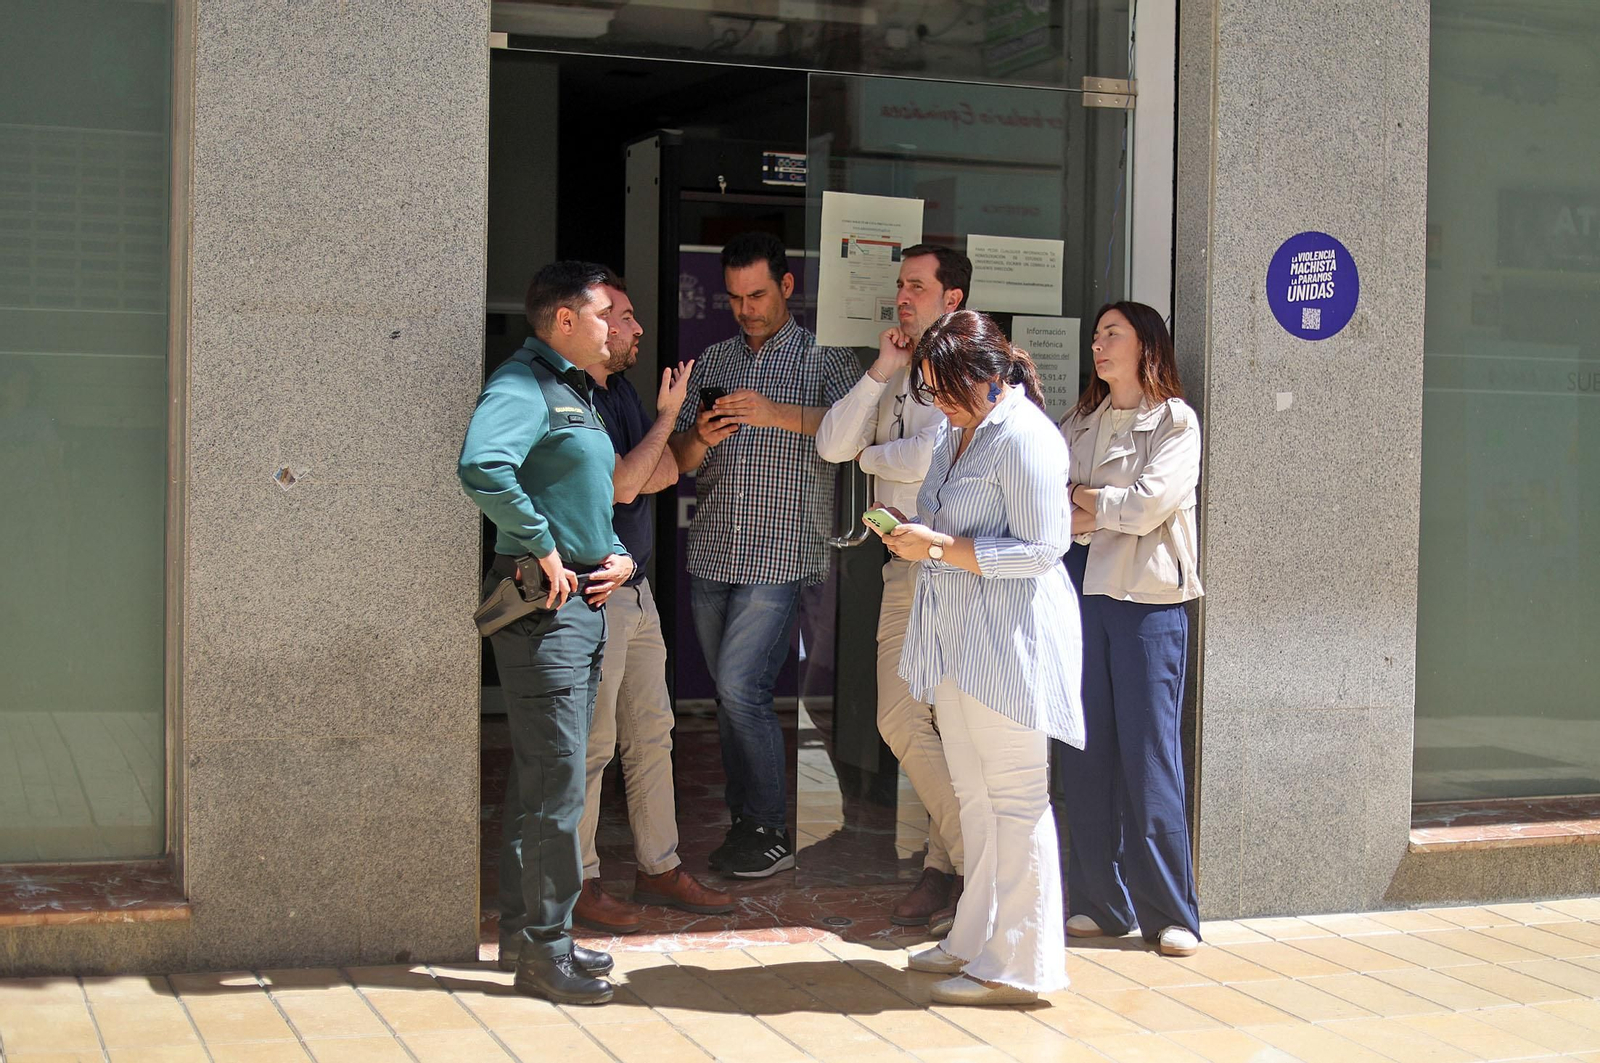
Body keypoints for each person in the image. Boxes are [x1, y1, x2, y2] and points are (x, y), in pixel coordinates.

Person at [867, 310, 1081, 1007]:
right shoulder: (963, 431)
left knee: (1015, 799)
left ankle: (1022, 964)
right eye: (928, 389)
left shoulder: (1028, 437)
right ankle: (975, 938)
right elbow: (942, 522)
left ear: (987, 373)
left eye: (943, 387)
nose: (937, 402)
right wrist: (915, 537)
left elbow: (1043, 549)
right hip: (959, 637)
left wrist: (934, 546)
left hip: (1009, 639)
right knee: (975, 798)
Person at [458, 261, 636, 1006]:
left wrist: (615, 552)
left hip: (583, 607)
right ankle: (544, 950)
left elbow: (583, 493)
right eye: (605, 313)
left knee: (545, 782)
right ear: (565, 318)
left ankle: (532, 937)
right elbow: (481, 465)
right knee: (556, 785)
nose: (616, 326)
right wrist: (540, 542)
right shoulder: (524, 382)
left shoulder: (578, 391)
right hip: (546, 614)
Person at [668, 232, 860, 879]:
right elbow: (680, 459)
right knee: (730, 699)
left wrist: (776, 412)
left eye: (757, 295)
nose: (746, 308)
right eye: (734, 297)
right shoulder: (715, 356)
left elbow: (858, 429)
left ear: (786, 286)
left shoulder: (822, 355)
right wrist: (700, 434)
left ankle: (773, 827)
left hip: (782, 554)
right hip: (714, 551)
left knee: (740, 686)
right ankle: (746, 822)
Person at [815, 245, 970, 935]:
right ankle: (974, 863)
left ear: (952, 299)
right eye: (899, 284)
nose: (903, 296)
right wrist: (880, 369)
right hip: (903, 568)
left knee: (945, 730)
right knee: (902, 719)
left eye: (917, 286)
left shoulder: (972, 366)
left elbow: (930, 457)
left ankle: (954, 870)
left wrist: (870, 457)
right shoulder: (897, 367)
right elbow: (829, 443)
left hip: (953, 568)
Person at [574, 280, 735, 933]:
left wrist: (671, 440)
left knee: (651, 734)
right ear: (592, 323)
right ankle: (579, 880)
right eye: (627, 316)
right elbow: (622, 482)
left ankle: (658, 865)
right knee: (593, 744)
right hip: (597, 593)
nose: (639, 329)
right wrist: (669, 421)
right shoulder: (577, 395)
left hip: (636, 591)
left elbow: (661, 472)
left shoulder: (620, 393)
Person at [1057, 301, 1204, 958]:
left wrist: (1089, 503)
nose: (1098, 343)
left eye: (1112, 333)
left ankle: (1171, 912)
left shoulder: (1174, 421)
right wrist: (1095, 506)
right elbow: (1051, 497)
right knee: (1084, 755)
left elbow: (1148, 507)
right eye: (1095, 335)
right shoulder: (1080, 420)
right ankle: (1098, 899)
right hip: (1083, 598)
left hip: (1148, 605)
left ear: (1147, 344)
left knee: (1149, 761)